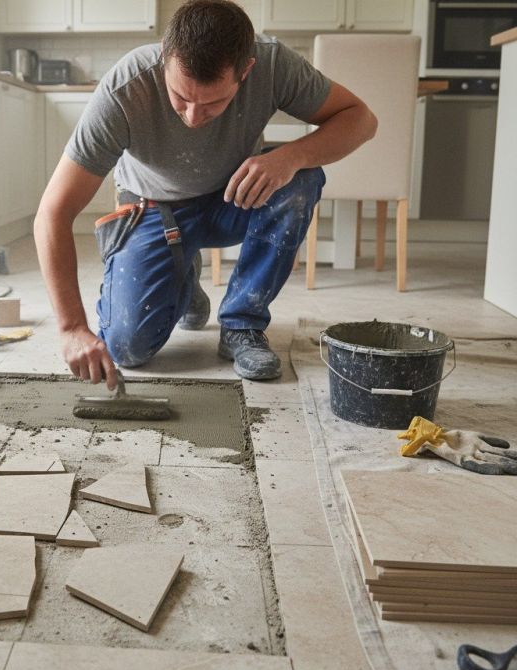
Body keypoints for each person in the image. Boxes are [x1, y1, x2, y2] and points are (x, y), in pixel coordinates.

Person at [34, 0, 377, 389]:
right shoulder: (124, 89)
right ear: (165, 57)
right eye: (181, 98)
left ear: (245, 71)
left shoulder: (272, 63)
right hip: (153, 209)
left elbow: (361, 119)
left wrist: (292, 156)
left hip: (232, 197)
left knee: (301, 180)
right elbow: (52, 213)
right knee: (128, 349)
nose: (193, 117)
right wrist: (72, 327)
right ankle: (183, 278)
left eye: (213, 102)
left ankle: (242, 325)